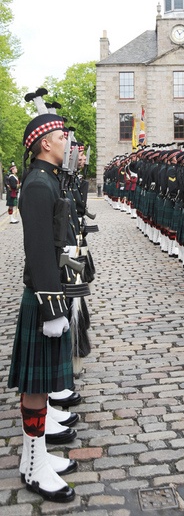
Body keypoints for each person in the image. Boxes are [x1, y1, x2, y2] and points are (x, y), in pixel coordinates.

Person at [8, 113, 77, 502]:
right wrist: (52, 308)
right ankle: (33, 466)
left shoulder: (46, 179)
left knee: (44, 382)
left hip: (51, 291)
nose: (65, 141)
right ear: (45, 143)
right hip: (43, 296)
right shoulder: (36, 184)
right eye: (60, 136)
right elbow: (37, 250)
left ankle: (37, 457)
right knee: (36, 387)